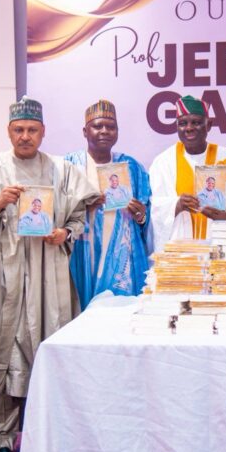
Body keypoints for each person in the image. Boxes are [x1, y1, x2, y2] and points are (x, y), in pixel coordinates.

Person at [0, 96, 98, 452]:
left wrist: (64, 233)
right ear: (9, 132)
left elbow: (79, 219)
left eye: (32, 130)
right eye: (19, 130)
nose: (25, 136)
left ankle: (50, 439)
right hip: (4, 278)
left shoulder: (63, 171)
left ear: (43, 132)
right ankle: (2, 440)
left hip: (49, 277)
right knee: (4, 349)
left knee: (48, 347)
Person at [64, 99, 151, 308]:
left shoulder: (131, 166)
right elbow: (56, 211)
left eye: (111, 127)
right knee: (82, 309)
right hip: (83, 249)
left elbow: (147, 215)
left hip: (122, 251)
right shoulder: (69, 165)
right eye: (97, 126)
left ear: (117, 132)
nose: (104, 131)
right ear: (85, 131)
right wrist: (85, 206)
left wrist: (141, 215)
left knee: (119, 311)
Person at [149, 95, 226, 246]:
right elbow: (155, 206)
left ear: (209, 125)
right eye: (182, 123)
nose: (189, 128)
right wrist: (177, 205)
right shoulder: (163, 162)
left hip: (221, 248)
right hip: (180, 251)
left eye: (196, 122)